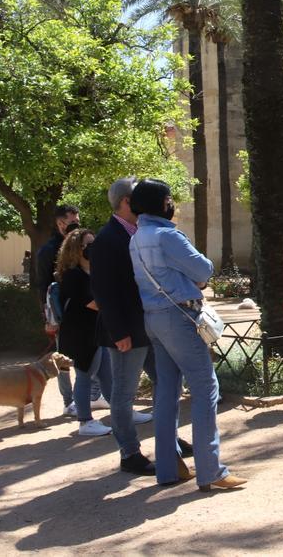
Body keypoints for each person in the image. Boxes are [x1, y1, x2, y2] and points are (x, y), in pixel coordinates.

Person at [129, 178, 246, 491]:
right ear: (162, 202)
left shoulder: (137, 237)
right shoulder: (168, 235)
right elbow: (205, 270)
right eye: (169, 199)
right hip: (180, 316)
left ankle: (168, 467)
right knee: (206, 387)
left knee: (166, 390)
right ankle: (211, 470)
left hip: (153, 318)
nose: (172, 204)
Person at [91, 177, 177, 475]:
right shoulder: (107, 239)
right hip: (128, 332)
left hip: (153, 326)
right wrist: (119, 333)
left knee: (166, 385)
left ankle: (170, 441)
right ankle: (129, 453)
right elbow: (103, 291)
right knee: (124, 394)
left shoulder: (143, 232)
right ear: (127, 201)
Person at [34, 204, 102, 415]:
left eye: (77, 221)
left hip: (85, 313)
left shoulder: (83, 245)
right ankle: (68, 401)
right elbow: (43, 285)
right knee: (63, 356)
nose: (75, 225)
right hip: (63, 311)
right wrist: (48, 316)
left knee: (91, 357)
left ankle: (94, 396)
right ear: (60, 222)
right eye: (71, 222)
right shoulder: (48, 250)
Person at [55, 228, 115, 437]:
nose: (93, 248)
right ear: (76, 250)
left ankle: (121, 412)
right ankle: (85, 421)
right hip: (81, 334)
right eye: (88, 244)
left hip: (97, 331)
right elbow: (94, 303)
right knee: (85, 375)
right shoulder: (73, 275)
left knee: (107, 375)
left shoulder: (95, 271)